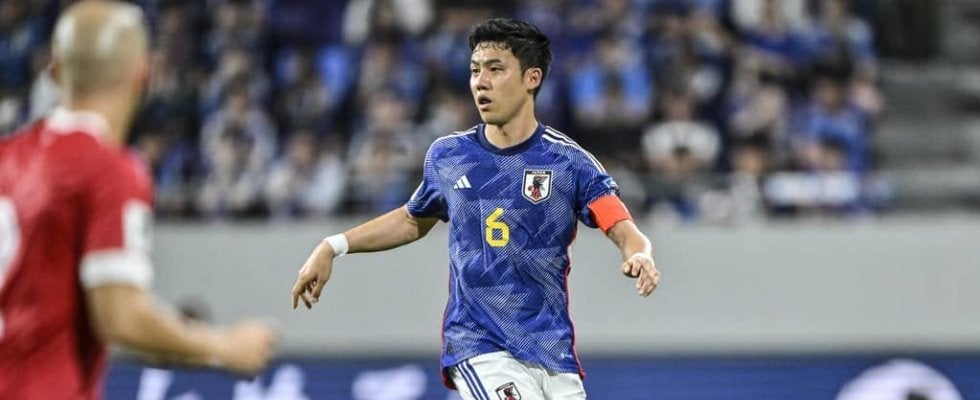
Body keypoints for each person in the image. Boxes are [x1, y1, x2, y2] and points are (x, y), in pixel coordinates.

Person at [291, 17, 660, 400]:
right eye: (475, 70)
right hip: (480, 345)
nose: (480, 82)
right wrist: (334, 245)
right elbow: (411, 220)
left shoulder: (569, 163)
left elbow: (621, 226)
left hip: (552, 353)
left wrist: (640, 255)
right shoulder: (450, 157)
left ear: (531, 78)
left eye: (495, 69)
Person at [0, 2, 276, 399]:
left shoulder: (7, 156)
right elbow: (120, 315)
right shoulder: (110, 170)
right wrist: (223, 346)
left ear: (54, 71)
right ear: (144, 73)